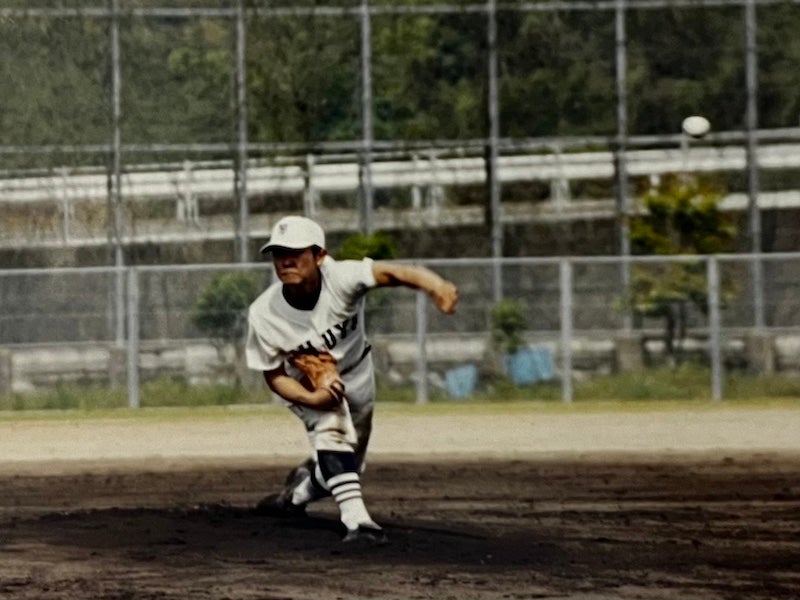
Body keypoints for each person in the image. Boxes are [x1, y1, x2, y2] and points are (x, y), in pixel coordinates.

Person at [245, 215, 459, 544]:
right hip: (306, 381)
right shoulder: (264, 313)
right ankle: (358, 522)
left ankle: (298, 493)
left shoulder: (341, 277)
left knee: (350, 463)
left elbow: (394, 272)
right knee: (332, 430)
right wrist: (310, 398)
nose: (285, 260)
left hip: (358, 370)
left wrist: (435, 285)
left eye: (296, 251)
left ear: (319, 256)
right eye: (277, 253)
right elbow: (272, 374)